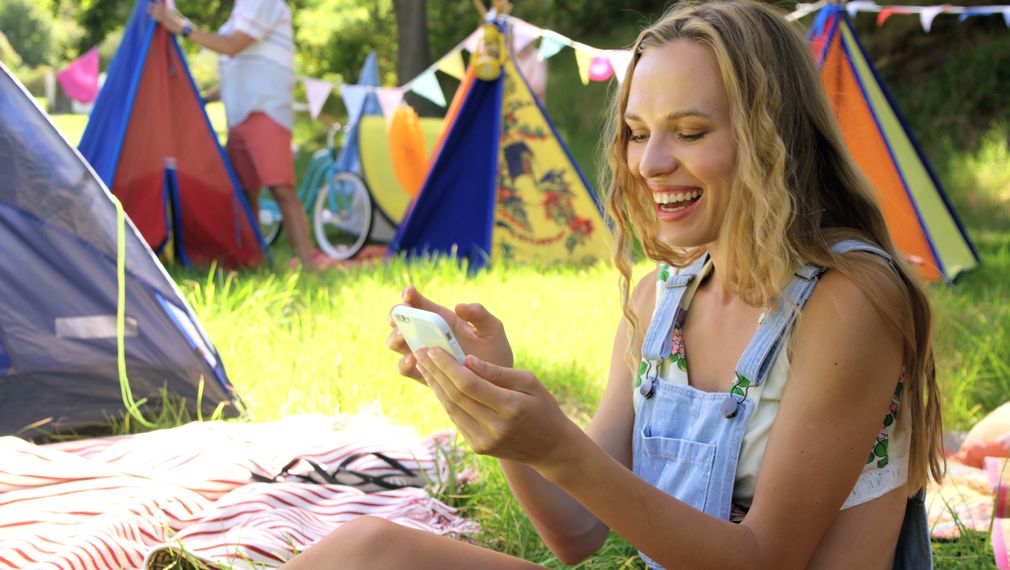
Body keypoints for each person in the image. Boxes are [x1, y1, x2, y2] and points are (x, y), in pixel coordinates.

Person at [282, 1, 943, 568]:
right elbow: (575, 530)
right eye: (635, 133)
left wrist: (561, 447)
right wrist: (499, 408)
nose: (650, 164)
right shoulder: (661, 299)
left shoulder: (849, 298)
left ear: (774, 137)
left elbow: (764, 558)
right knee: (362, 550)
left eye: (689, 131)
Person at [148, 0, 331, 270]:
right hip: (239, 113)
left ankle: (308, 264)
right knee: (246, 193)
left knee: (281, 188)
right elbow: (241, 66)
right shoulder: (239, 11)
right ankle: (253, 260)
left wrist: (184, 28)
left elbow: (233, 46)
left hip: (266, 109)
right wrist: (206, 97)